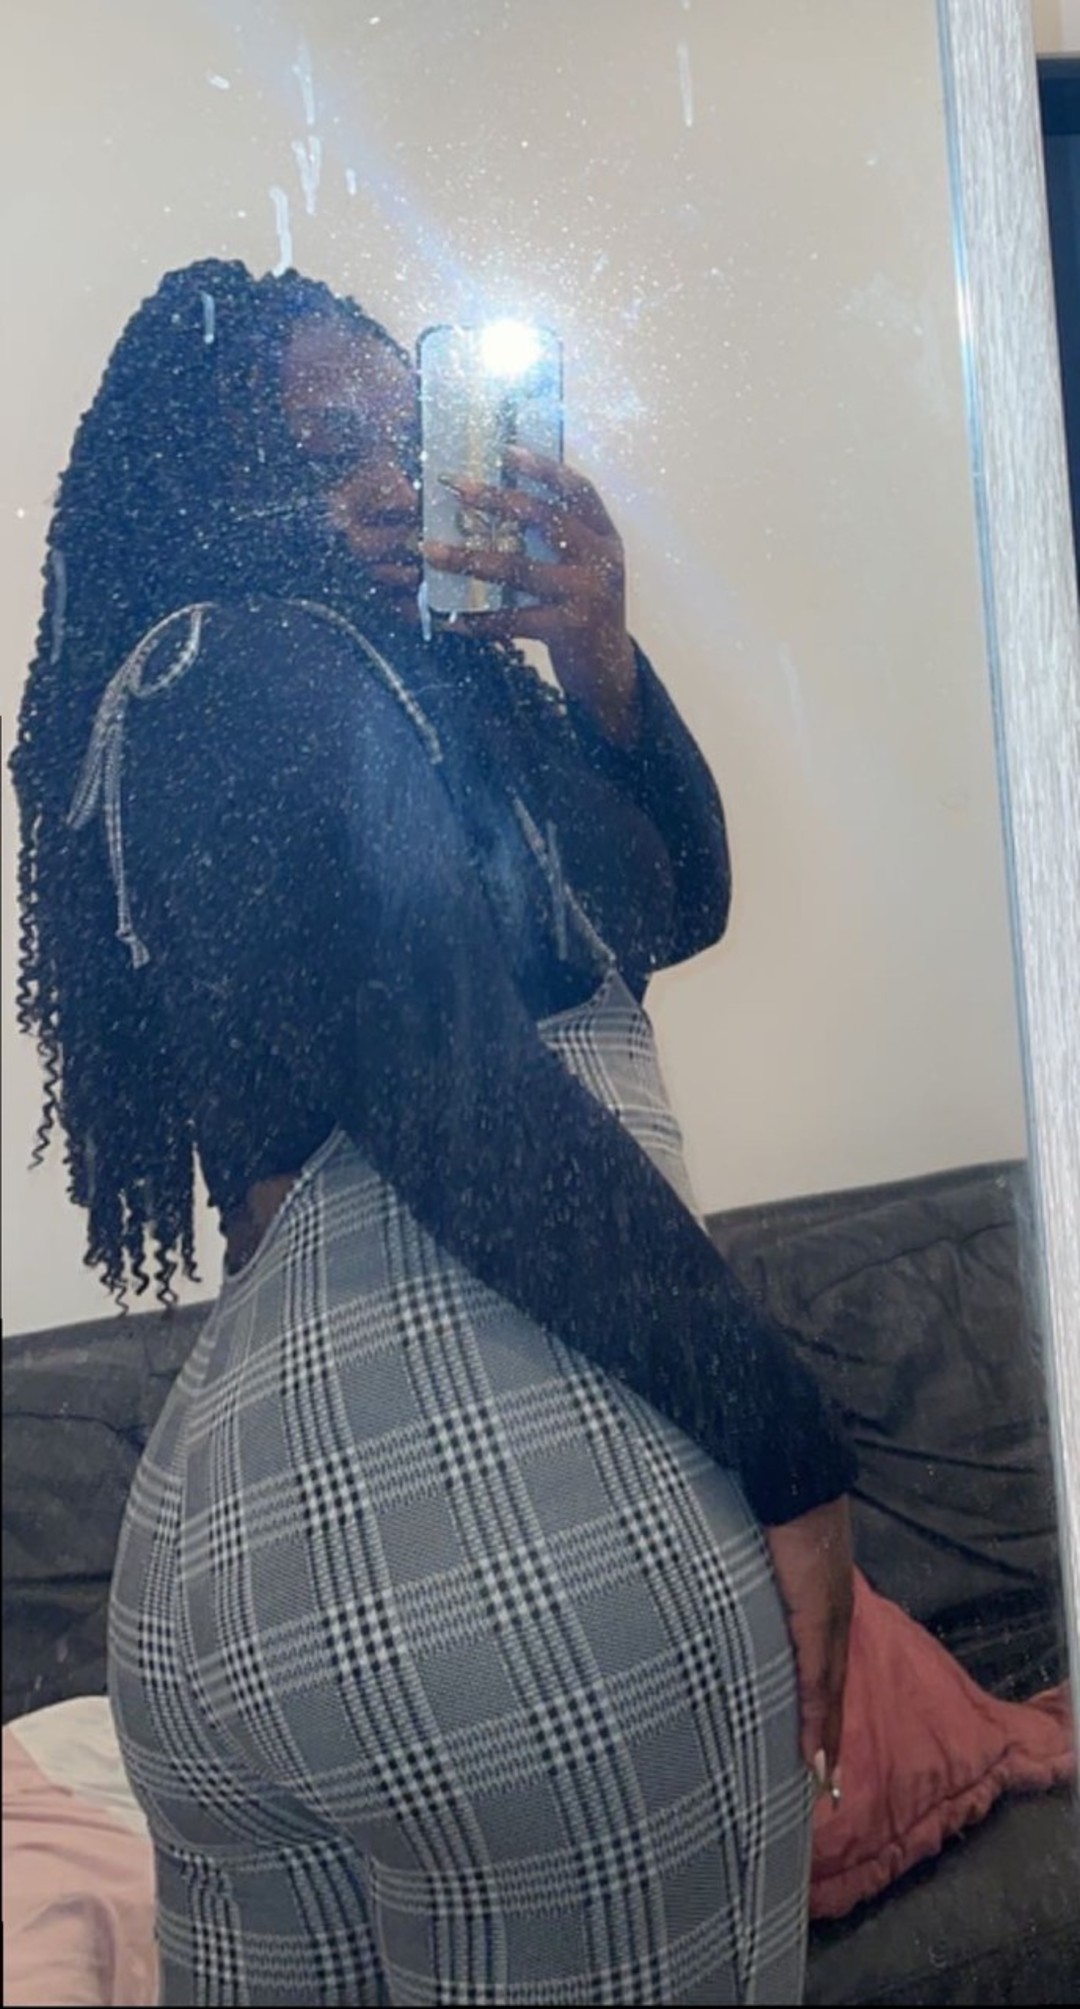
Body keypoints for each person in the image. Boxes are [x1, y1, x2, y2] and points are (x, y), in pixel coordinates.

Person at [11, 258, 855, 2006]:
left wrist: (597, 653)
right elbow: (456, 1092)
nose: (396, 484)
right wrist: (792, 1448)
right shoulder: (247, 668)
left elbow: (678, 905)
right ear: (202, 493)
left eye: (415, 437)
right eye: (328, 455)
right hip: (506, 1532)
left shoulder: (397, 702)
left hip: (223, 1588)